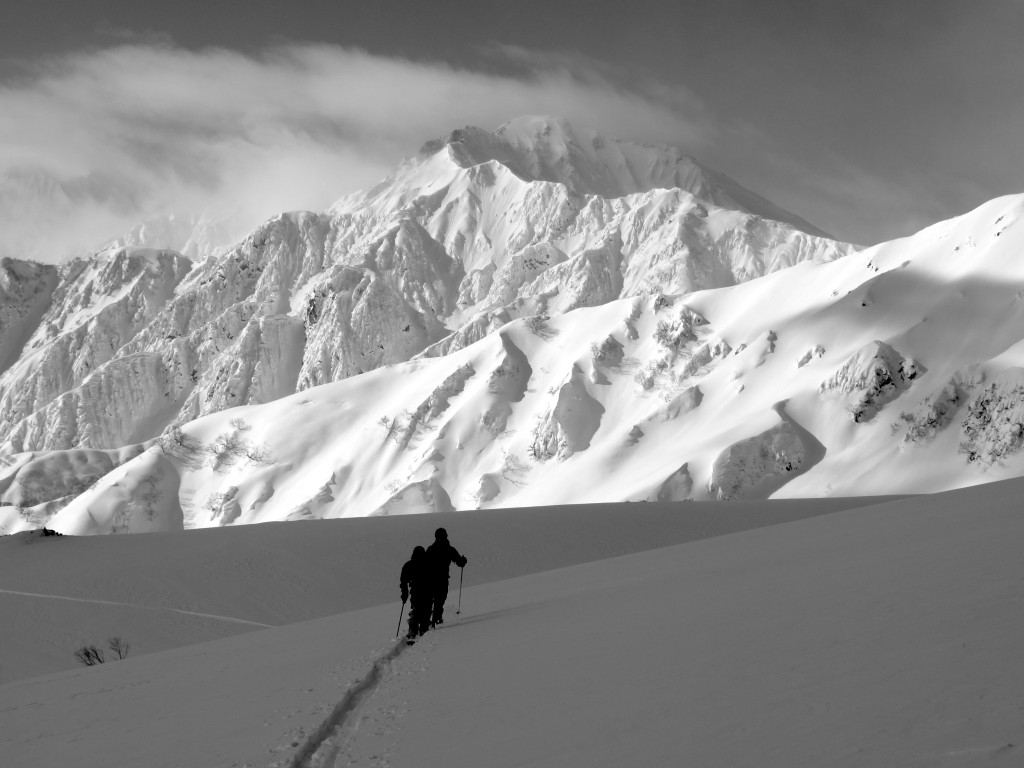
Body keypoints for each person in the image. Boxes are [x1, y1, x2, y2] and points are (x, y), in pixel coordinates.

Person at [426, 527, 467, 627]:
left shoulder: (431, 549)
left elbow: (424, 564)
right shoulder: (449, 549)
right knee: (439, 599)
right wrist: (463, 560)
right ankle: (436, 619)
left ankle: (427, 621)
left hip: (430, 579)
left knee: (430, 599)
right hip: (442, 579)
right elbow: (459, 562)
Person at [400, 546, 431, 642]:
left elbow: (403, 581)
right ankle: (423, 630)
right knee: (426, 609)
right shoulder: (428, 563)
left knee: (416, 609)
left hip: (415, 591)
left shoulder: (409, 565)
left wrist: (404, 594)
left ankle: (413, 631)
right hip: (428, 591)